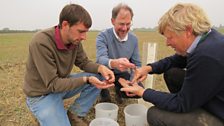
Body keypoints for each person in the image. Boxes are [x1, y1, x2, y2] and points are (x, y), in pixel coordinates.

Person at [119, 3, 224, 126]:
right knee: (172, 74)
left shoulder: (206, 56)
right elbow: (176, 60)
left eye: (170, 37)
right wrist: (148, 68)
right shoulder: (207, 39)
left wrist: (142, 92)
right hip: (213, 99)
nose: (167, 43)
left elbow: (181, 103)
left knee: (154, 114)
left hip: (219, 115)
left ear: (188, 31)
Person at [23, 4, 115, 126]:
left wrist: (101, 68)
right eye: (81, 31)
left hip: (61, 84)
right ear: (65, 25)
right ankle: (46, 113)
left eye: (85, 32)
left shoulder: (74, 40)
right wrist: (86, 80)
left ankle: (75, 114)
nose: (84, 37)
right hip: (41, 95)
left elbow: (83, 62)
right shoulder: (41, 42)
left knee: (98, 76)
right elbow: (53, 84)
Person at [96, 3, 142, 103]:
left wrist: (132, 81)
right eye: (121, 24)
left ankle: (119, 90)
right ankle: (103, 92)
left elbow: (137, 64)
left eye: (128, 24)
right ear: (113, 21)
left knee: (139, 91)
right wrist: (114, 63)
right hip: (105, 73)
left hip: (121, 75)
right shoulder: (103, 36)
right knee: (106, 100)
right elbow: (100, 59)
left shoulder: (134, 39)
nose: (125, 28)